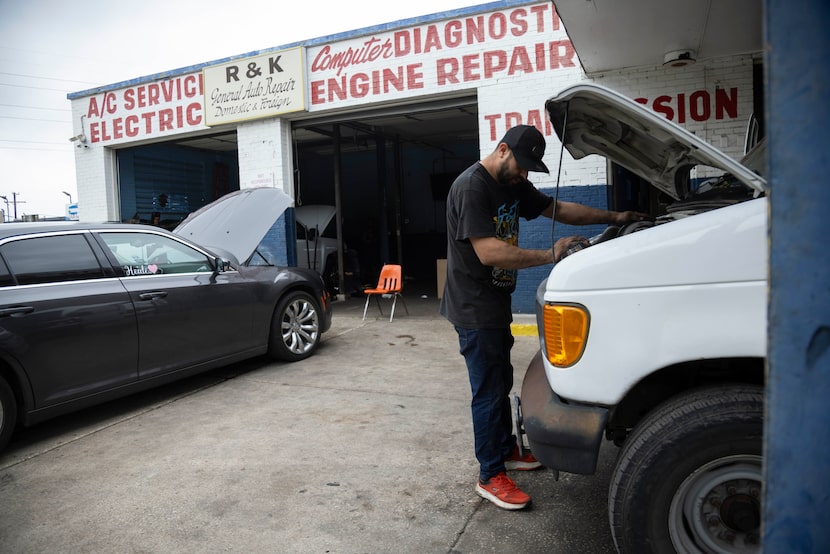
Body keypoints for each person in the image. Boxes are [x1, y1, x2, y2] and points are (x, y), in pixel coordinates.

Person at [439, 124, 648, 510]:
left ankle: (507, 450)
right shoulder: (473, 186)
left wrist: (615, 216)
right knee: (487, 392)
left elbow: (559, 208)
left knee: (500, 381)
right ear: (502, 151)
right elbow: (489, 252)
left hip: (494, 300)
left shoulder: (513, 182)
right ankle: (490, 475)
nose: (524, 176)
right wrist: (549, 255)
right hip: (472, 306)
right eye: (522, 167)